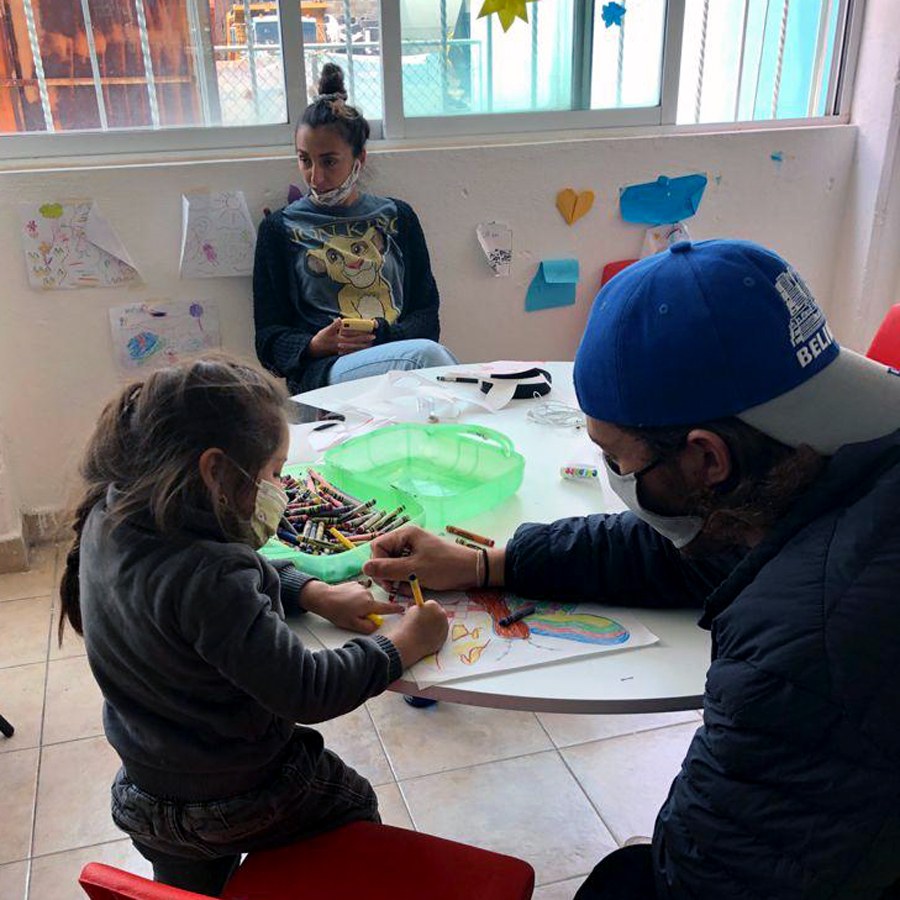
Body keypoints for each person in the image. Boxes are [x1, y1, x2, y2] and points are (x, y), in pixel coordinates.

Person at [363, 239, 900, 899]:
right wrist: (483, 562)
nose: (614, 479)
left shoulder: (803, 648)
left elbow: (704, 878)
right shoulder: (818, 462)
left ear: (708, 460)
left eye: (615, 457)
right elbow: (698, 545)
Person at [58, 355, 449, 896]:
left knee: (192, 887)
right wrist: (402, 643)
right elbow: (307, 691)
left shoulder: (113, 513)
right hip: (239, 797)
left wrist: (308, 591)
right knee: (351, 801)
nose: (281, 485)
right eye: (272, 472)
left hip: (145, 794)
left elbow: (217, 586)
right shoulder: (209, 574)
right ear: (215, 471)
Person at [253, 63, 458, 396]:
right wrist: (315, 345)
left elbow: (427, 317)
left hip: (400, 354)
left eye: (329, 161)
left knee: (429, 359)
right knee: (428, 359)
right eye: (305, 160)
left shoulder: (398, 217)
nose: (315, 177)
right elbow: (268, 339)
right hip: (328, 372)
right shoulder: (280, 228)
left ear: (359, 158)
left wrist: (380, 335)